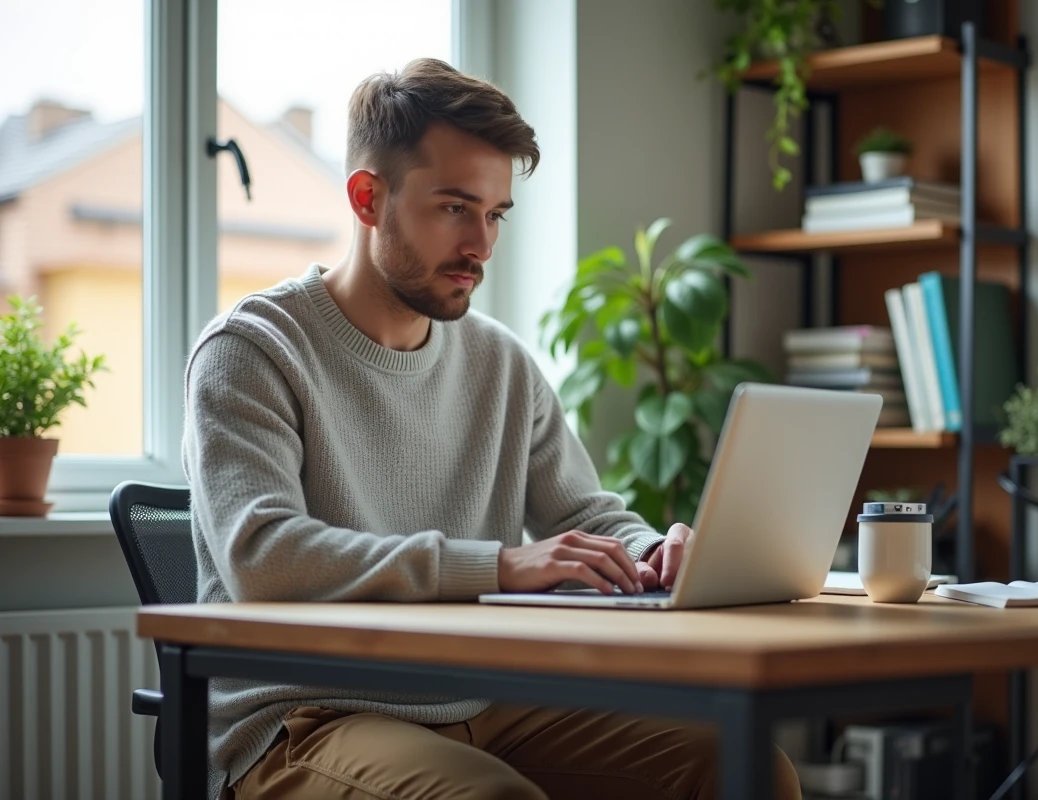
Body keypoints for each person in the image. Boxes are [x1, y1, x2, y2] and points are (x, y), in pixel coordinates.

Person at [182, 57, 802, 800]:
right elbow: (265, 558)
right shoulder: (251, 351)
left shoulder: (500, 363)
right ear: (367, 197)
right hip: (308, 717)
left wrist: (650, 552)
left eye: (496, 213)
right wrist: (501, 566)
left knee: (746, 770)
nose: (481, 243)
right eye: (454, 207)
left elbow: (583, 514)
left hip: (485, 700)